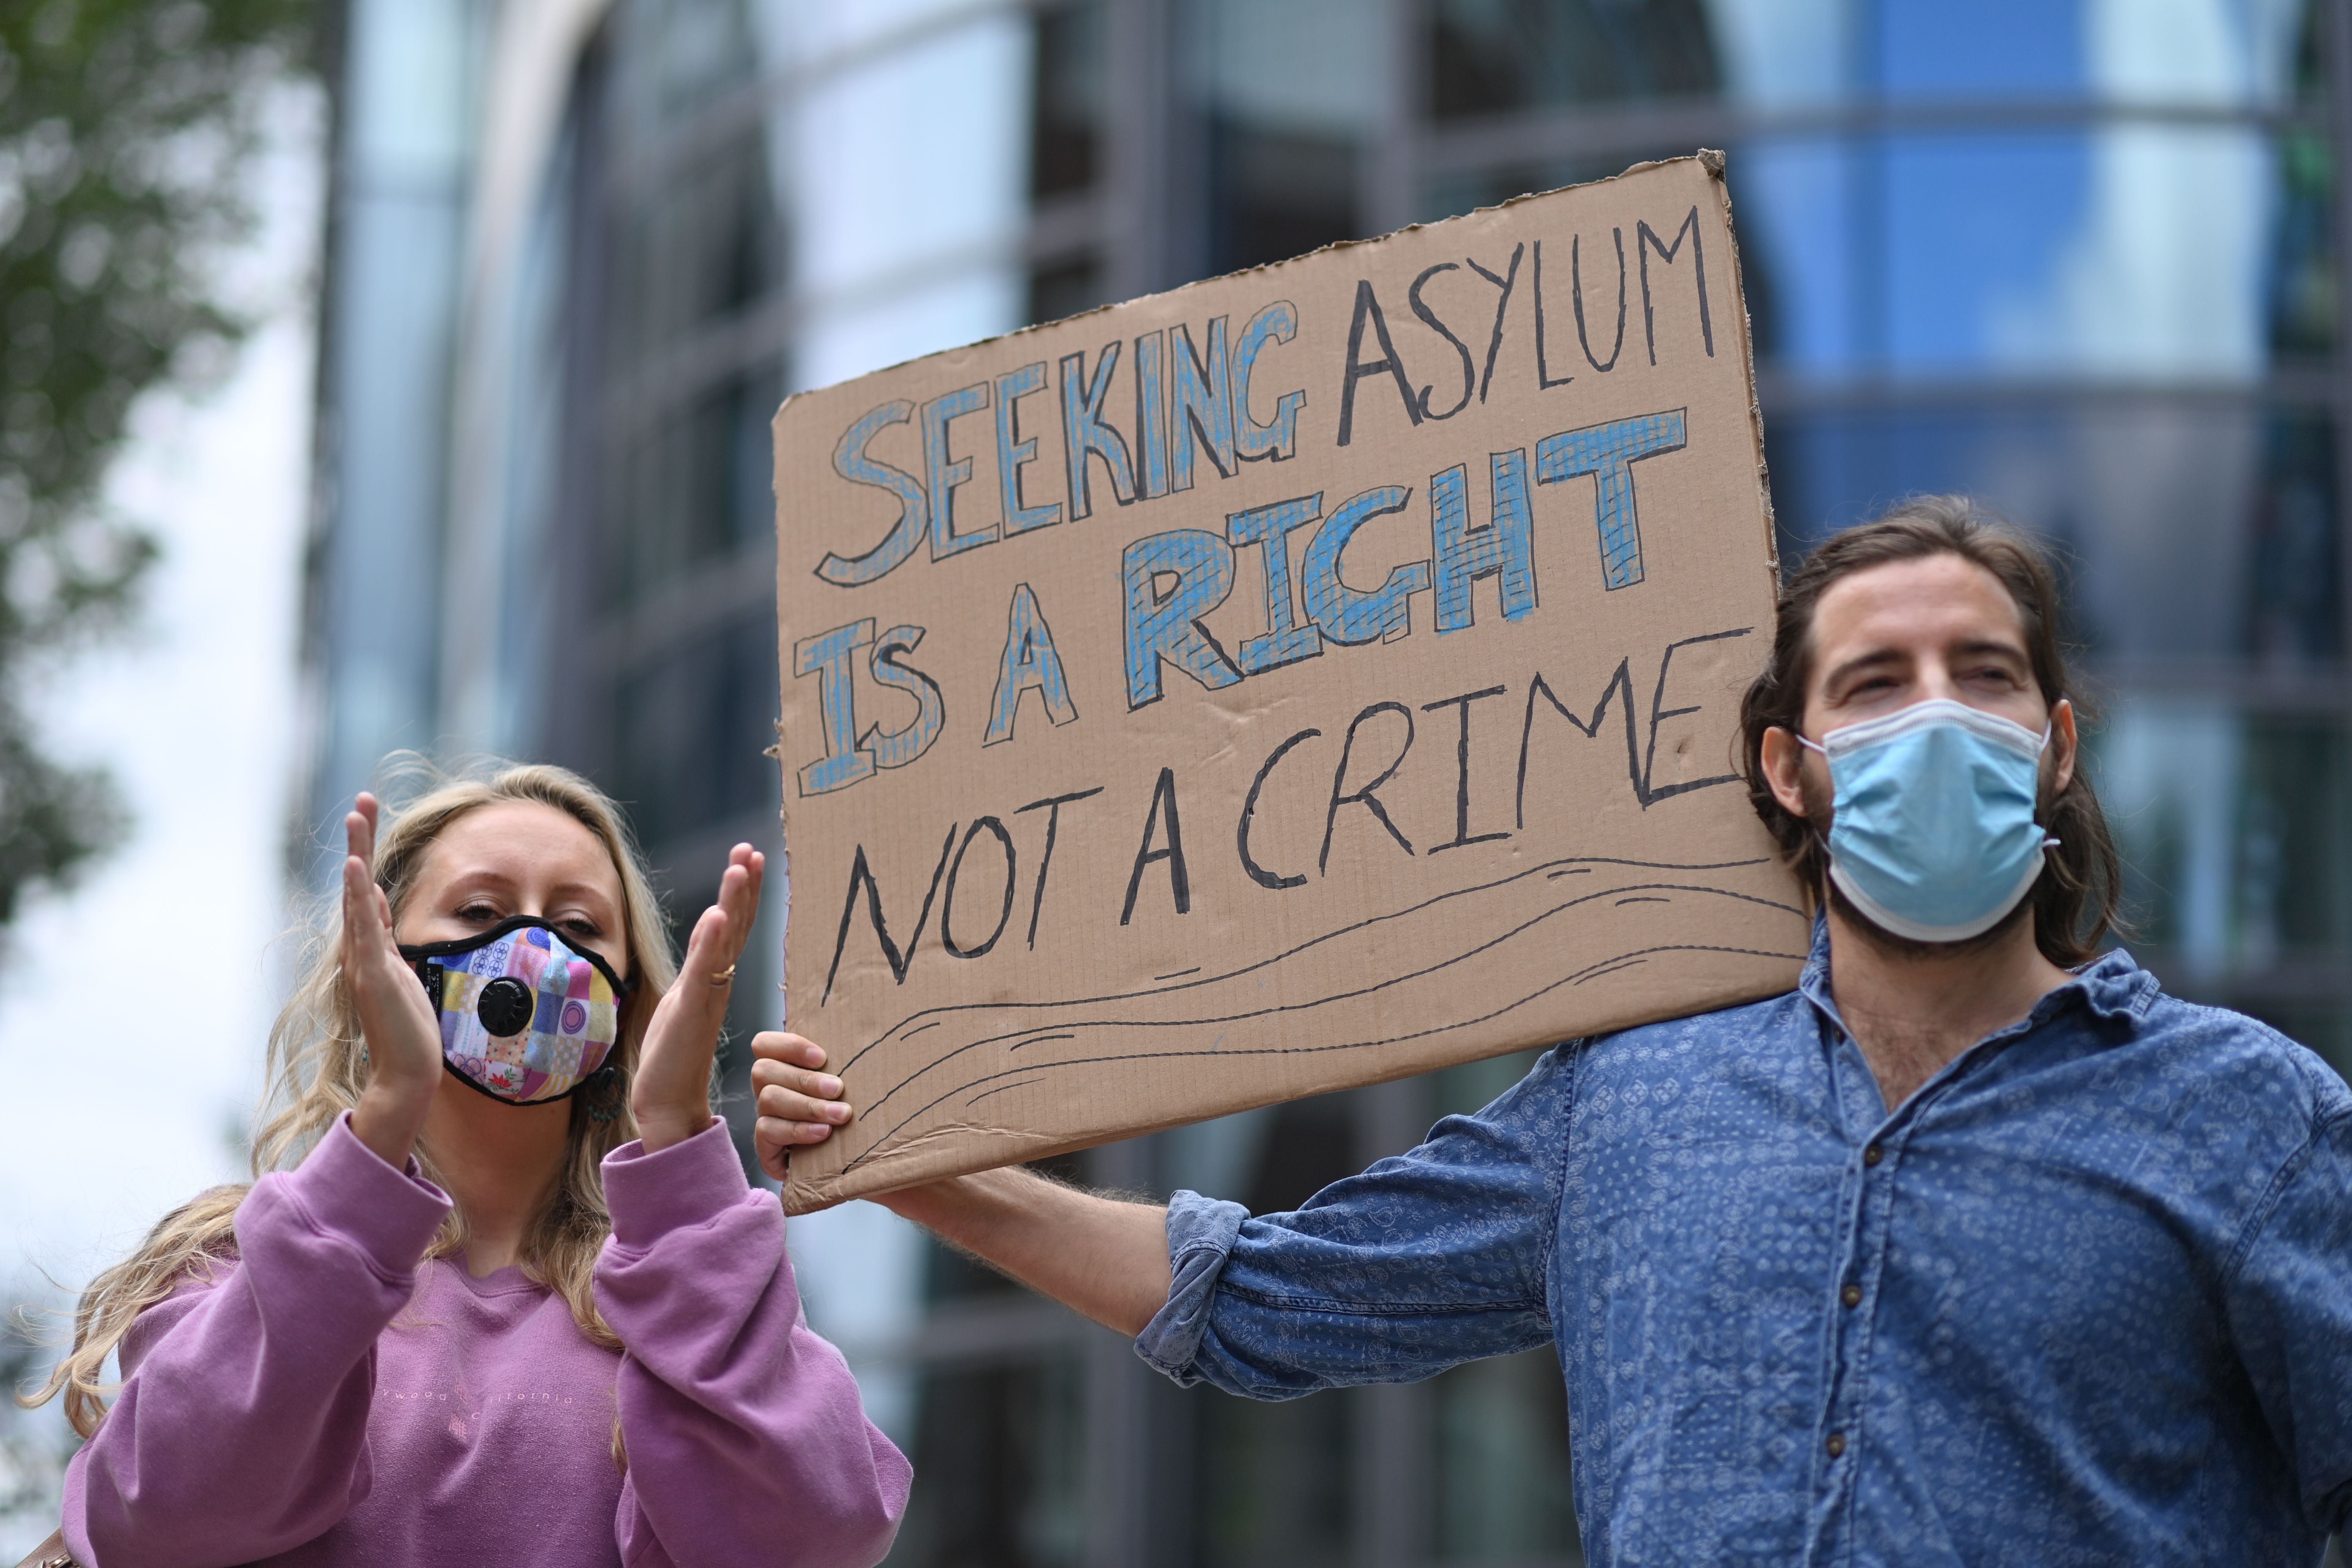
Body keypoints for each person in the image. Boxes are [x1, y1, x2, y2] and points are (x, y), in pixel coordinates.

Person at [752, 499, 2352, 1566]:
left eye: (1981, 674)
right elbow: (1258, 1296)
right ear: (1787, 771)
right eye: (1873, 684)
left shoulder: (2251, 1122)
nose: (1932, 712)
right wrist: (911, 1166)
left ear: (2054, 746)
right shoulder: (1627, 1101)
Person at [28, 762, 909, 1568]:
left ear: (630, 991)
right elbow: (161, 1515)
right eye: (480, 912)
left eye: (577, 925)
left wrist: (681, 1133)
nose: (531, 950)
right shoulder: (241, 1261)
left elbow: (814, 1537)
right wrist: (384, 1118)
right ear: (381, 958)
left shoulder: (688, 1286)